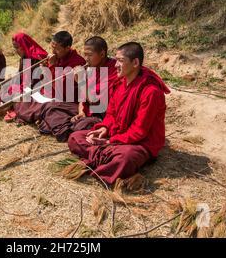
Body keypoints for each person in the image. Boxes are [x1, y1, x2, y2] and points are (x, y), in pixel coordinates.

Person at [68, 42, 170, 185]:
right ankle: (103, 158)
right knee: (75, 137)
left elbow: (139, 132)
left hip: (138, 143)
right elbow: (111, 114)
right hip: (116, 136)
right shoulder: (120, 83)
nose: (115, 65)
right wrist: (104, 129)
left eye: (121, 61)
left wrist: (110, 141)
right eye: (116, 60)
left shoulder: (151, 92)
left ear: (135, 63)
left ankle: (100, 157)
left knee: (125, 158)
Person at [37, 36, 119, 142]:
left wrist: (81, 81)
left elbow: (97, 103)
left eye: (89, 55)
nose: (86, 58)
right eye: (85, 54)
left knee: (82, 125)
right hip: (85, 111)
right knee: (51, 107)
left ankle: (71, 129)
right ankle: (69, 127)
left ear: (102, 54)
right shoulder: (91, 68)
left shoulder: (113, 71)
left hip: (101, 115)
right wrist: (81, 111)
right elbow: (82, 96)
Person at [13, 31, 86, 124]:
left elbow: (61, 89)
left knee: (49, 108)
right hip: (49, 95)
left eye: (57, 49)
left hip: (65, 99)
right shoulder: (57, 58)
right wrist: (44, 68)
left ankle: (41, 116)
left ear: (67, 48)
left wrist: (51, 67)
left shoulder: (77, 62)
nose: (53, 52)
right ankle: (40, 116)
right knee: (26, 99)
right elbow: (45, 82)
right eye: (52, 48)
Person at [3, 32, 48, 121]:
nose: (16, 50)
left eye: (17, 47)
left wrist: (21, 91)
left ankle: (14, 107)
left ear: (24, 45)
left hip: (37, 90)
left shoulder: (38, 58)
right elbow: (20, 76)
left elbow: (37, 83)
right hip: (25, 88)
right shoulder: (24, 58)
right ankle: (13, 105)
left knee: (27, 101)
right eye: (14, 47)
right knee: (3, 89)